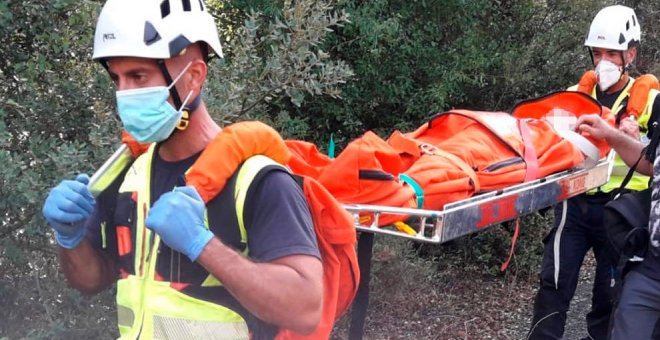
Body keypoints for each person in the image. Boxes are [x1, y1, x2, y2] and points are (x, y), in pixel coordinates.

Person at [41, 0, 323, 338]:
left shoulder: (258, 180)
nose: (124, 94)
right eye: (117, 78)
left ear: (193, 77)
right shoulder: (126, 174)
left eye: (138, 76)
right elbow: (91, 279)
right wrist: (69, 238)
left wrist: (202, 245)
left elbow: (307, 308)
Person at [527, 5, 659, 340]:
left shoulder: (650, 99)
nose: (603, 62)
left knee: (609, 292)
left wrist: (633, 136)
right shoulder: (574, 95)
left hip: (622, 208)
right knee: (553, 284)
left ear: (630, 54)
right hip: (574, 202)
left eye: (611, 54)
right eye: (597, 53)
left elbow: (653, 154)